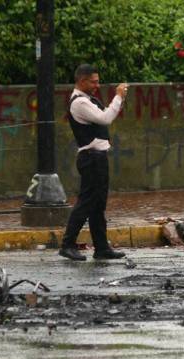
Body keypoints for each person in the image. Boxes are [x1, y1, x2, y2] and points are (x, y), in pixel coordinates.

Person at [59, 64, 129, 261]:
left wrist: (119, 100)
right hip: (91, 158)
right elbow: (105, 118)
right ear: (82, 81)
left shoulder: (88, 99)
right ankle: (67, 244)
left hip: (97, 157)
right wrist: (118, 96)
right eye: (93, 81)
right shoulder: (79, 103)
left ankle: (101, 247)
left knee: (98, 205)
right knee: (87, 202)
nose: (97, 85)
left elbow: (106, 116)